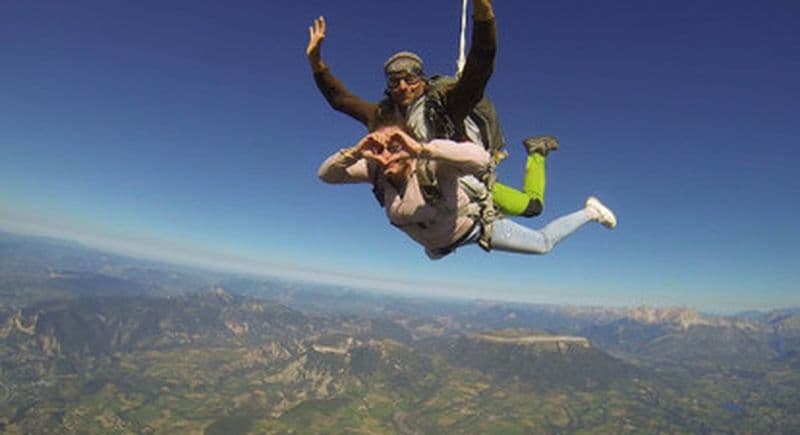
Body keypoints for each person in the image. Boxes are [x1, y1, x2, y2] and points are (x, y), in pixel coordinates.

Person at [306, 0, 555, 219]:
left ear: (422, 80)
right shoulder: (384, 116)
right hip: (426, 196)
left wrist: (484, 14)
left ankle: (537, 151)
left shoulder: (445, 105)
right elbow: (340, 100)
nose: (403, 86)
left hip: (464, 181)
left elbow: (480, 66)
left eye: (410, 79)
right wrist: (316, 63)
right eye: (394, 82)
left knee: (532, 207)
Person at [318, 126, 616, 259]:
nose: (388, 156)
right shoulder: (377, 172)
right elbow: (326, 175)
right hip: (441, 242)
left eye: (395, 148)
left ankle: (590, 211)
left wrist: (421, 149)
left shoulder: (432, 164)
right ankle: (439, 246)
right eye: (381, 150)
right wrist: (356, 151)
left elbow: (480, 160)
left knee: (541, 239)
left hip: (475, 228)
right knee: (434, 251)